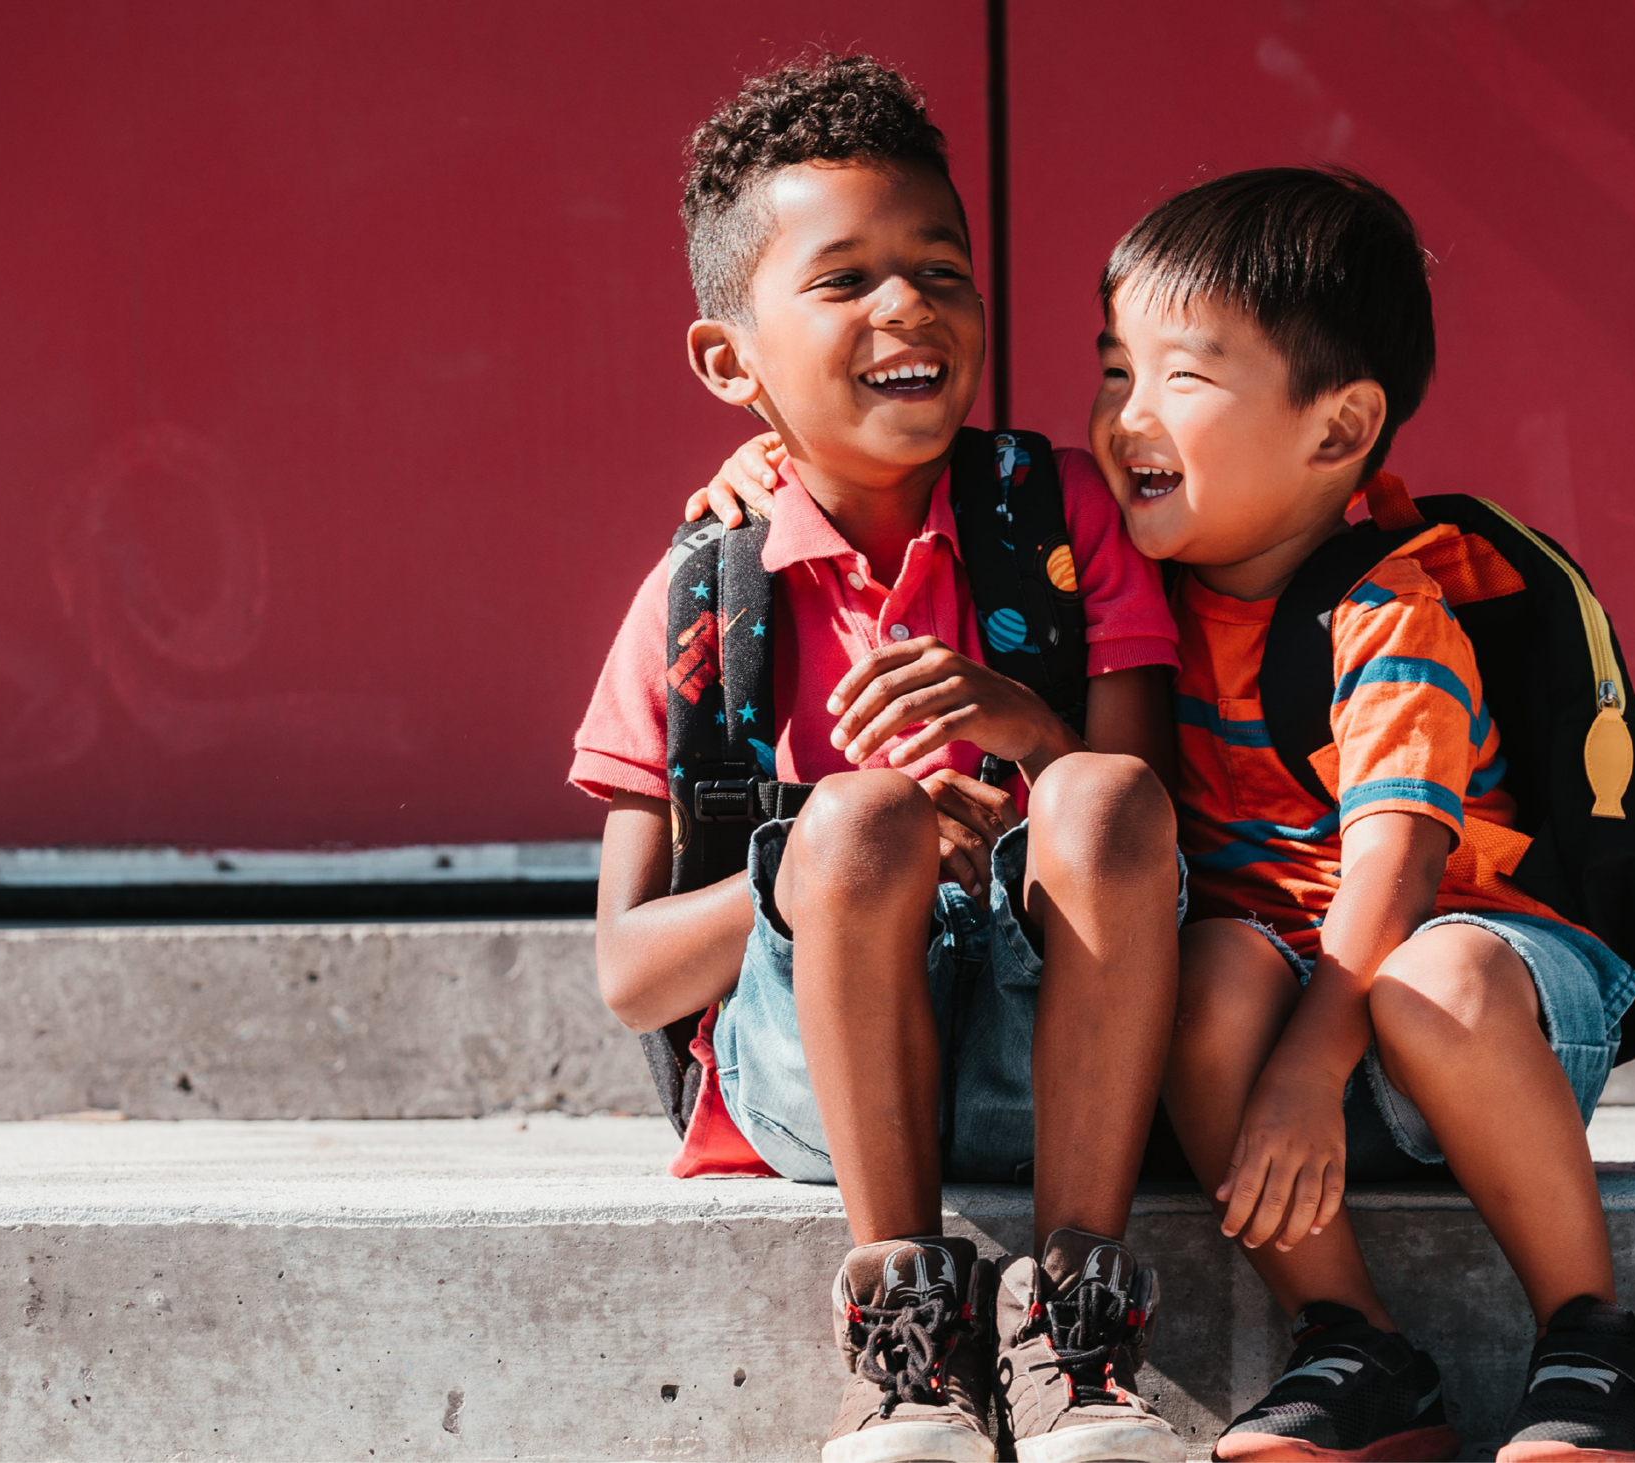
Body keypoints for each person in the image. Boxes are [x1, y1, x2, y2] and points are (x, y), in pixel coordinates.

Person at [572, 54, 1192, 1463]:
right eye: (845, 280)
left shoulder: (1059, 517)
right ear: (731, 361)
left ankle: (1079, 1317)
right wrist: (830, 862)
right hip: (816, 1071)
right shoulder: (701, 597)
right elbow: (626, 972)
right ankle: (906, 1331)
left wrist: (1027, 736)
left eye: (940, 268)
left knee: (1095, 789)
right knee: (854, 823)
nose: (908, 307)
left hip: (1062, 1051)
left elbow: (1154, 832)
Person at [1095, 168, 1635, 1463]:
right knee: (1199, 973)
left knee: (1434, 970)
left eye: (1180, 377)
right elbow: (960, 496)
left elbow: (1399, 857)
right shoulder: (1128, 595)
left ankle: (1592, 1338)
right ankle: (1355, 1342)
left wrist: (1310, 1062)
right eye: (1112, 370)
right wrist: (764, 458)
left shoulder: (1384, 607)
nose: (1127, 416)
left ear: (1337, 427)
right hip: (1284, 1028)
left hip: (1479, 1004)